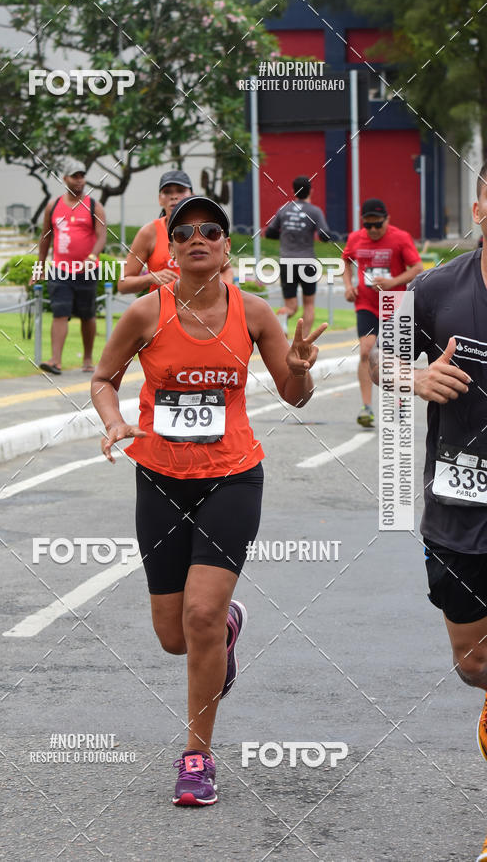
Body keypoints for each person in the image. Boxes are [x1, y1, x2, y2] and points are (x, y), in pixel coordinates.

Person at [91, 195, 326, 806]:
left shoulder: (253, 314)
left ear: (226, 247)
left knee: (198, 617)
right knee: (174, 635)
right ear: (171, 246)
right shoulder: (146, 313)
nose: (198, 238)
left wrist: (301, 370)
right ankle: (227, 627)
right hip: (161, 480)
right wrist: (114, 419)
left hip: (233, 478)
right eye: (185, 231)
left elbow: (295, 396)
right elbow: (102, 378)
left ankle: (197, 755)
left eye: (211, 231)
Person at [370, 165, 487, 862]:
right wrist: (413, 374)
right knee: (473, 663)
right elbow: (382, 354)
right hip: (458, 508)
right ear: (479, 205)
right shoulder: (439, 287)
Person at [343, 198, 423, 427]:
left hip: (394, 304)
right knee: (366, 351)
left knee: (394, 356)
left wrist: (392, 282)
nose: (374, 230)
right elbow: (346, 261)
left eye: (378, 224)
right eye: (368, 225)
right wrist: (348, 286)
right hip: (366, 304)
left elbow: (418, 268)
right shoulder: (354, 239)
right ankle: (366, 407)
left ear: (387, 219)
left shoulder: (400, 238)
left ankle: (399, 403)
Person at [35, 158, 107, 375]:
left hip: (87, 270)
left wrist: (93, 256)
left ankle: (87, 359)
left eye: (82, 176)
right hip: (59, 269)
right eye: (75, 176)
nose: (79, 180)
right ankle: (55, 360)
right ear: (64, 178)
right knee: (60, 312)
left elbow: (102, 236)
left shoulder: (95, 206)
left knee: (87, 315)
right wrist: (40, 266)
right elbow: (45, 238)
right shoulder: (53, 206)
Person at [117, 170, 233, 294]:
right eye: (167, 192)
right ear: (159, 199)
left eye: (180, 190)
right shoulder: (149, 232)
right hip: (162, 310)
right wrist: (151, 278)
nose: (174, 196)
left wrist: (218, 293)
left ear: (192, 195)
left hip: (204, 309)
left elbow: (226, 269)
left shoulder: (206, 228)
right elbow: (123, 284)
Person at [265, 175, 332, 337]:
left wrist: (286, 234)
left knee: (291, 306)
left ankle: (282, 322)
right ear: (311, 191)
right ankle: (304, 340)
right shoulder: (315, 212)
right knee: (309, 305)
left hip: (287, 262)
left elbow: (270, 233)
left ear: (293, 191)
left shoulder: (284, 209)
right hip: (307, 261)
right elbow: (325, 235)